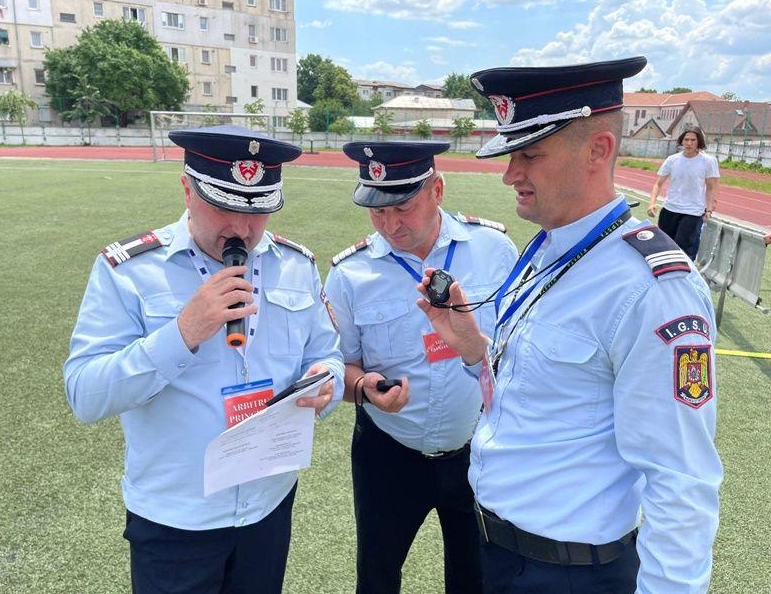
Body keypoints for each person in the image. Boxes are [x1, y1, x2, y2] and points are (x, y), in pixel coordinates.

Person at [416, 57, 723, 593]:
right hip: (498, 550)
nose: (510, 173)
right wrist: (474, 349)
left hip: (569, 573)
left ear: (598, 150)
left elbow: (682, 480)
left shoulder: (651, 288)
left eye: (530, 154)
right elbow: (540, 390)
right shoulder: (549, 249)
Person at [63, 126, 344, 594]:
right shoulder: (129, 270)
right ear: (187, 190)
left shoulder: (296, 264)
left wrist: (326, 380)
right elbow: (85, 395)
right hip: (176, 519)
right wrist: (182, 334)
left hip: (267, 506)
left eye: (256, 211)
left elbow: (326, 353)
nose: (241, 229)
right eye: (224, 206)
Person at [324, 141, 518, 594]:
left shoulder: (494, 249)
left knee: (475, 578)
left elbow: (515, 351)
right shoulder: (350, 273)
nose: (390, 225)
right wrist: (365, 387)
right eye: (377, 212)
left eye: (403, 208)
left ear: (438, 190)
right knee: (377, 575)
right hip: (388, 453)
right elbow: (340, 365)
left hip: (478, 449)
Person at [647, 126, 720, 259]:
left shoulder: (708, 161)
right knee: (664, 249)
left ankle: (685, 271)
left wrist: (709, 209)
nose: (689, 143)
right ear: (681, 141)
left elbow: (711, 187)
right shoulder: (672, 160)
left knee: (683, 252)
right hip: (670, 209)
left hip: (692, 212)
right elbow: (658, 184)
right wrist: (652, 203)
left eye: (693, 140)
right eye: (686, 139)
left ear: (699, 142)